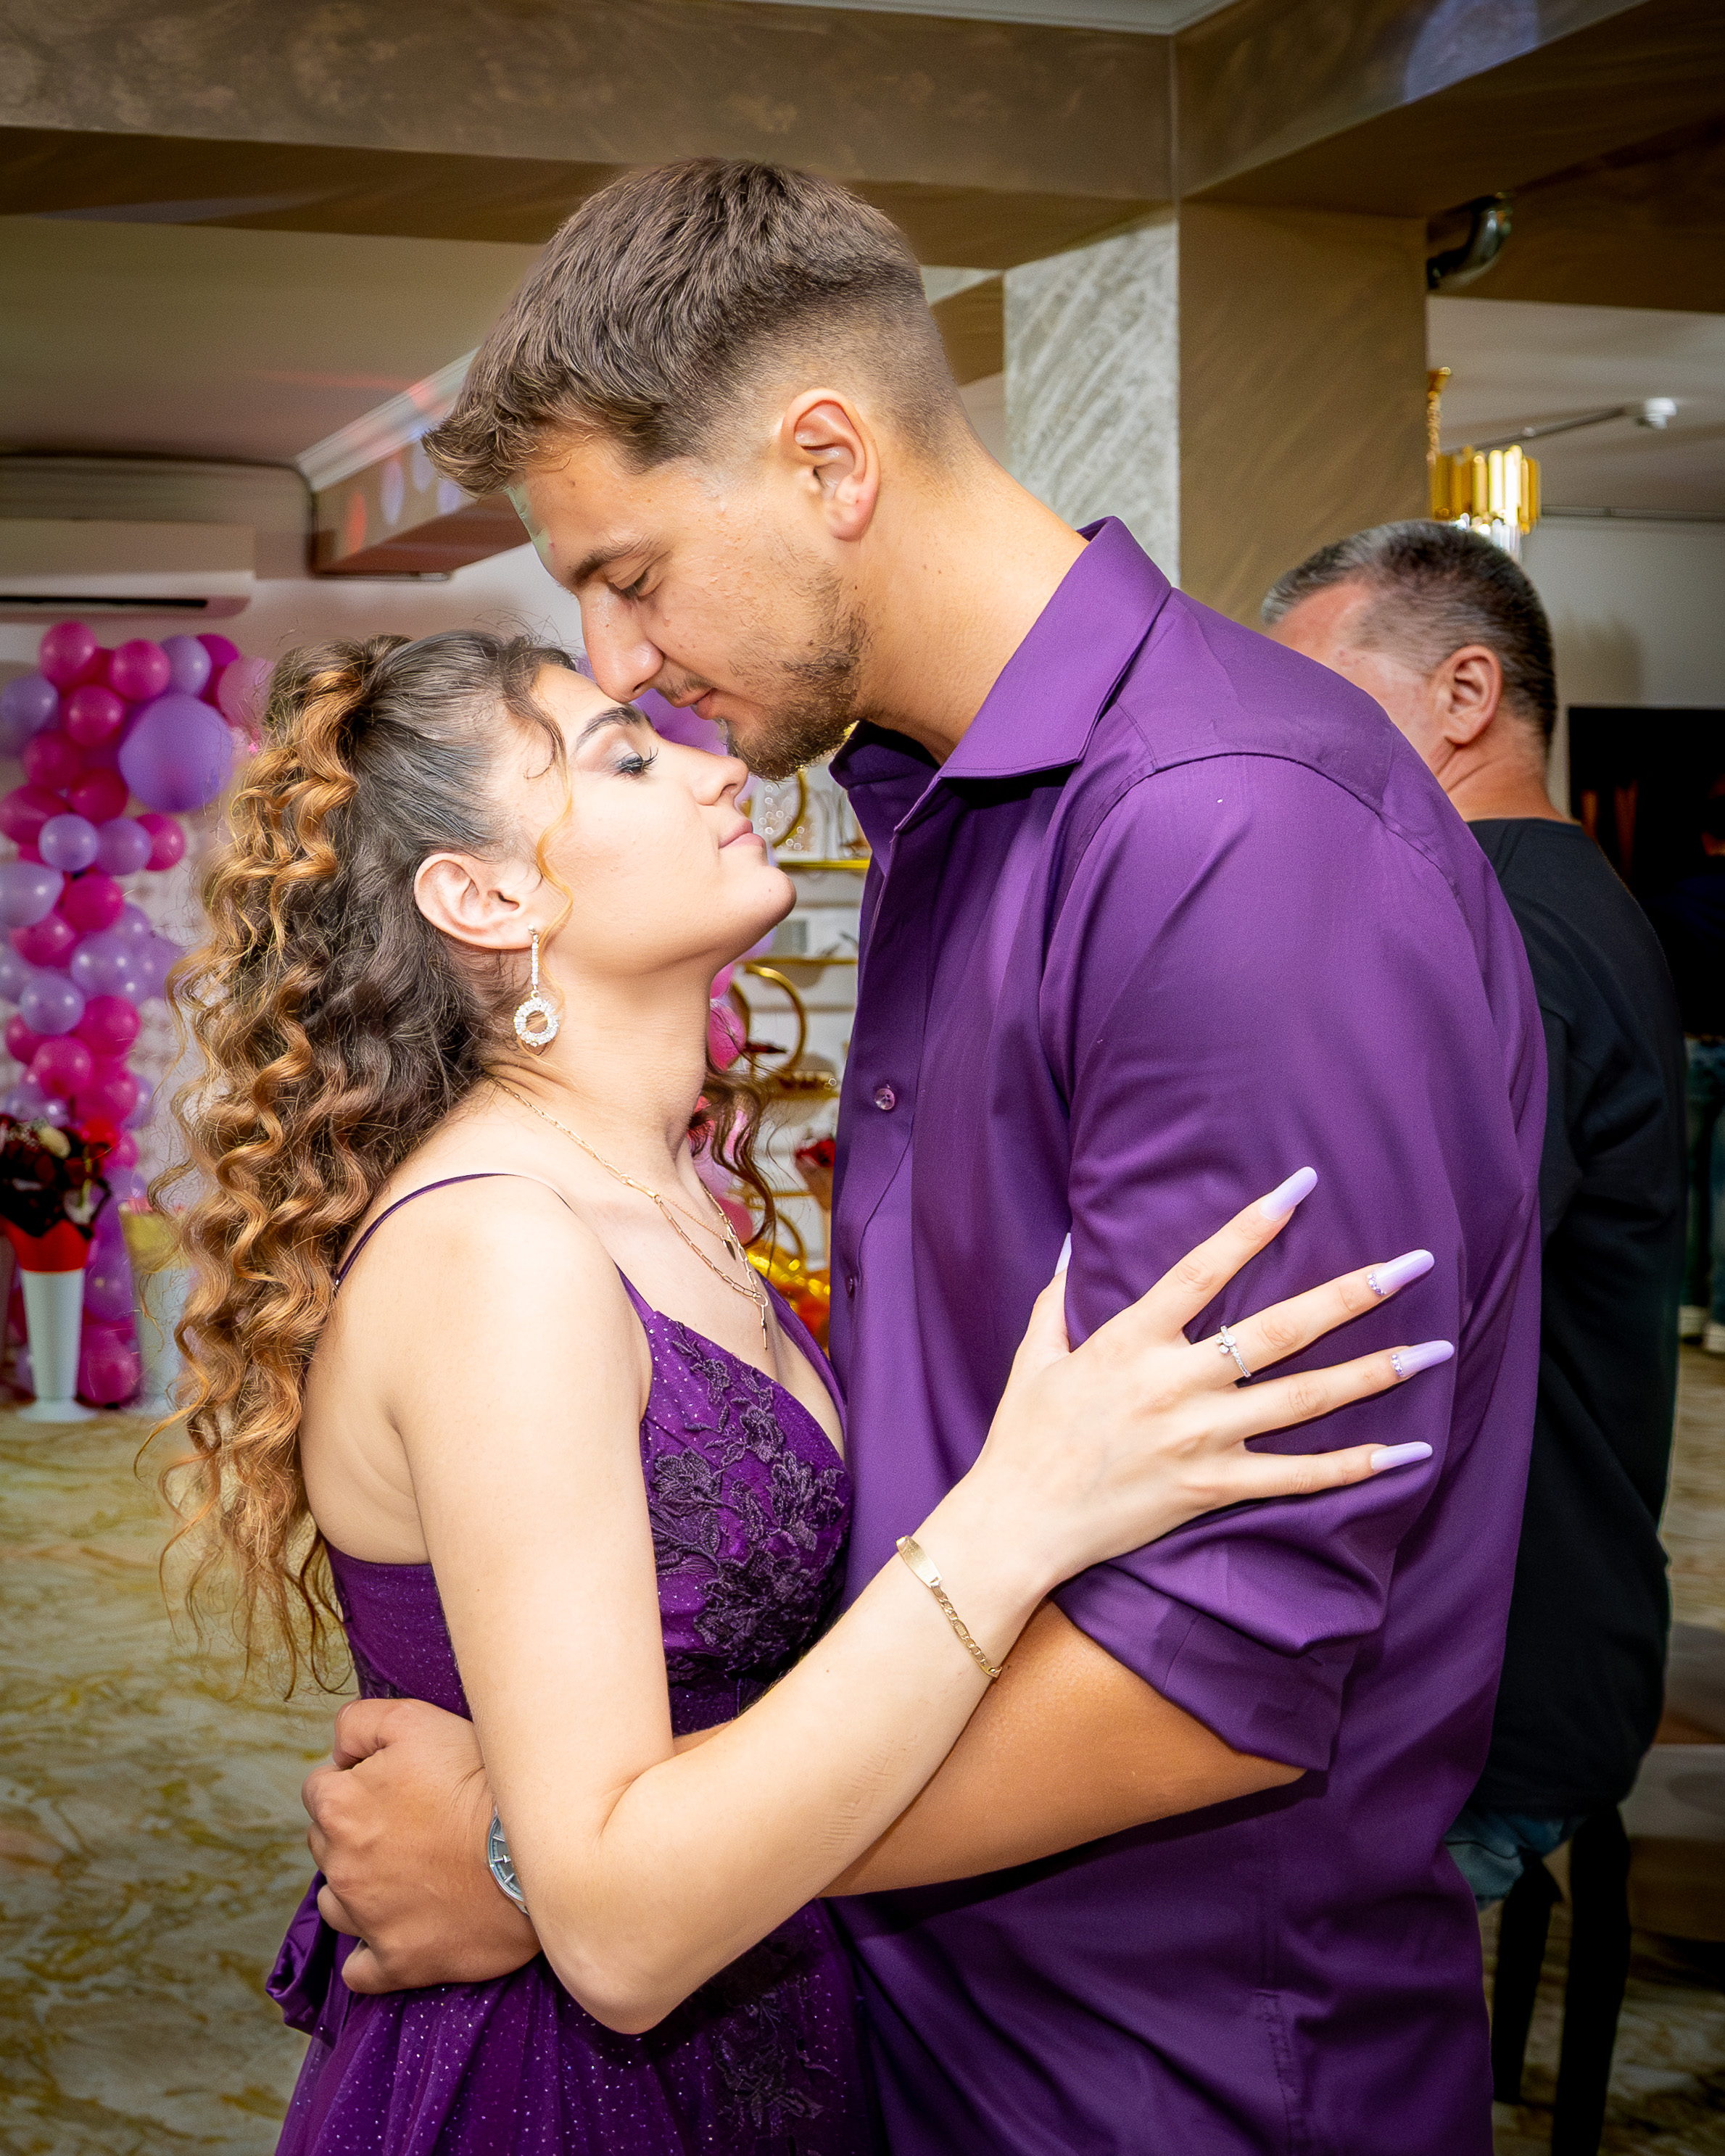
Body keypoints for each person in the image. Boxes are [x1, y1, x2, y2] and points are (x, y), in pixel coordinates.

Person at [300, 162, 1546, 2155]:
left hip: (1166, 2071)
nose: (617, 658)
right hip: (925, 2027)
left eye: (628, 571)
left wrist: (570, 1859)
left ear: (826, 463)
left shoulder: (1224, 840)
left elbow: (1212, 1662)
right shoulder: (944, 811)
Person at [173, 629, 1446, 2155]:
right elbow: (618, 1932)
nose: (717, 770)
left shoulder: (654, 1195)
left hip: (769, 2010)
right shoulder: (497, 1248)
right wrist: (1020, 1508)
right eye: (627, 757)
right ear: (488, 896)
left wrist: (495, 1838)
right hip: (560, 2085)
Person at [1265, 520, 1687, 1907]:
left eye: (1319, 701)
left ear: (1462, 694)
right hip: (1528, 1633)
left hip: (1486, 1666)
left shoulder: (1489, 917)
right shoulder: (1548, 895)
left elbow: (1399, 1289)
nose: (1288, 748)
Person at [1647, 793, 1725, 1355]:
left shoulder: (1669, 902)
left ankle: (1685, 1305)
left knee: (1685, 1180)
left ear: (1705, 839)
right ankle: (1722, 1316)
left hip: (1688, 1047)